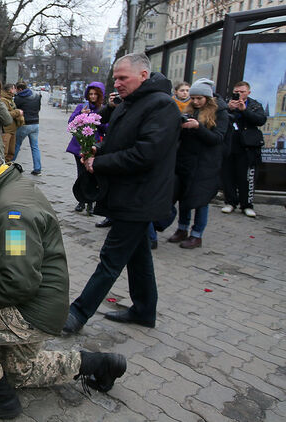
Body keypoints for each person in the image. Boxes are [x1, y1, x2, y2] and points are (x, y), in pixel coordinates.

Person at [0, 143, 127, 419]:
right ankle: (98, 364)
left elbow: (18, 282)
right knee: (19, 374)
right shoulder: (2, 188)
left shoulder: (13, 214)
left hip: (30, 311)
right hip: (36, 301)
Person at [62, 53, 180, 334]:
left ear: (143, 75)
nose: (117, 83)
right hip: (129, 194)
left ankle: (77, 314)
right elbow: (118, 143)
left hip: (141, 197)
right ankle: (144, 310)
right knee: (138, 256)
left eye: (122, 77)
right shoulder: (130, 103)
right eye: (115, 77)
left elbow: (144, 154)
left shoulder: (162, 106)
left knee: (111, 258)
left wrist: (99, 163)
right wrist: (97, 151)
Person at [168, 79, 229, 249]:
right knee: (184, 197)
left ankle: (197, 235)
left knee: (201, 200)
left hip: (205, 164)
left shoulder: (221, 112)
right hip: (186, 161)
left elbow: (217, 138)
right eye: (192, 98)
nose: (194, 102)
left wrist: (198, 127)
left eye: (198, 99)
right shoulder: (190, 110)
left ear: (207, 98)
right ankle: (182, 229)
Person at [221, 81, 267, 217]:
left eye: (242, 92)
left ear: (248, 92)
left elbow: (261, 120)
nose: (239, 94)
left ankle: (246, 205)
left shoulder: (254, 105)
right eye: (237, 92)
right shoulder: (226, 103)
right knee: (228, 175)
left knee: (246, 177)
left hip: (247, 147)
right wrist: (228, 109)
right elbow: (218, 118)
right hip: (230, 145)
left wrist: (244, 111)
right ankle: (230, 202)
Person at [66, 81, 107, 215]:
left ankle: (90, 201)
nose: (93, 97)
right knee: (81, 173)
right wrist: (81, 115)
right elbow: (71, 122)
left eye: (95, 94)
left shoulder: (104, 109)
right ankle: (81, 200)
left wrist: (97, 121)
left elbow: (107, 127)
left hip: (95, 147)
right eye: (90, 94)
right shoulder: (82, 106)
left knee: (91, 173)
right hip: (79, 146)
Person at [12, 82, 42, 175]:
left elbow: (15, 110)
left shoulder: (18, 98)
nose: (15, 91)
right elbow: (39, 109)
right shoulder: (36, 96)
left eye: (16, 89)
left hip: (24, 124)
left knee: (16, 144)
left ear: (20, 89)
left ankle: (10, 164)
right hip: (36, 124)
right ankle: (37, 169)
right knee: (35, 147)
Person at [1, 83, 24, 162]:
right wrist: (17, 112)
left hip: (12, 130)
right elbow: (6, 115)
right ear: (10, 89)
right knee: (4, 152)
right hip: (6, 130)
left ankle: (7, 168)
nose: (15, 91)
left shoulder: (10, 99)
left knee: (11, 152)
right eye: (14, 89)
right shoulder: (3, 100)